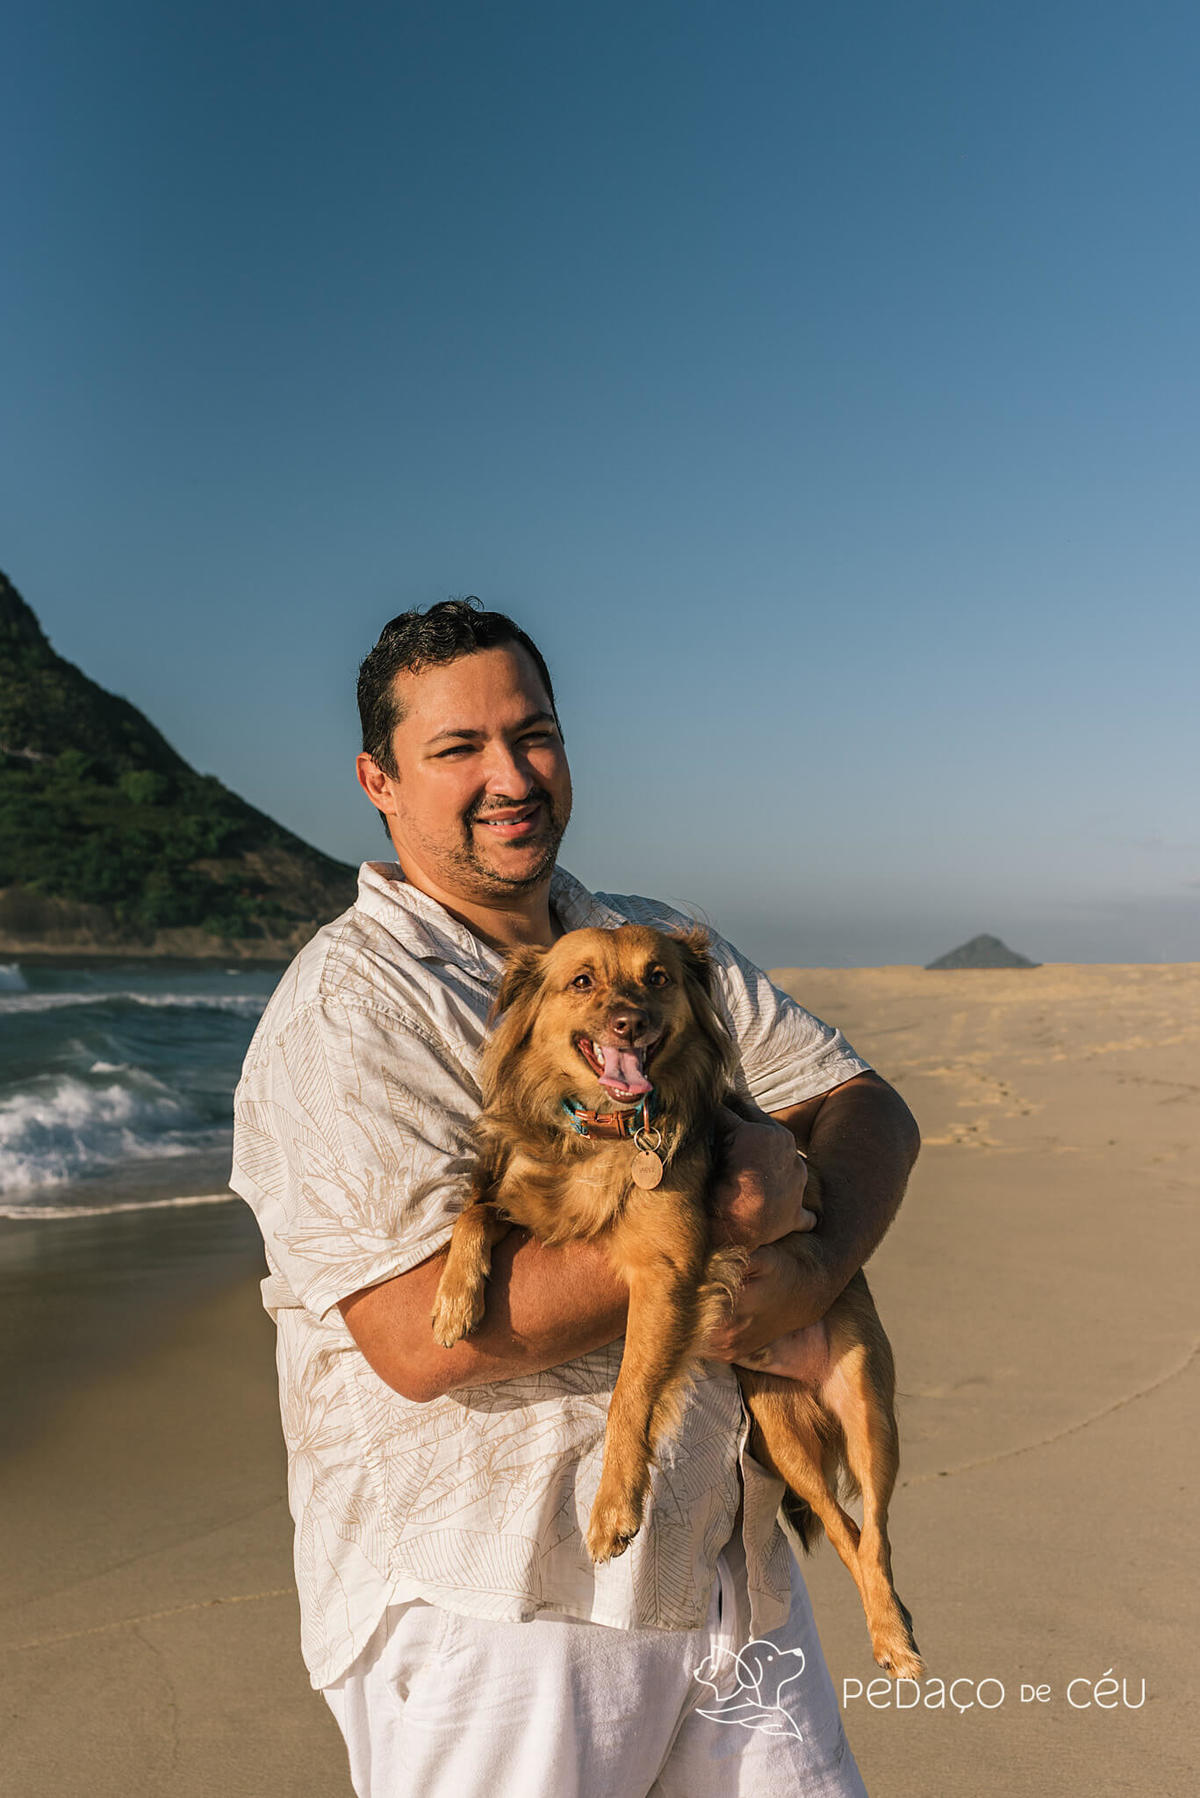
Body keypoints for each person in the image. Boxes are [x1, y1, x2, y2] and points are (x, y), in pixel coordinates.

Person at [231, 599, 919, 1798]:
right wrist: (706, 1218)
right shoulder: (352, 1006)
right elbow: (416, 1341)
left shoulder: (645, 941)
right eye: (457, 750)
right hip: (497, 1600)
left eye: (533, 734)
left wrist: (805, 1274)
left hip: (720, 1562)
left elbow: (864, 1105)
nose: (508, 776)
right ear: (377, 780)